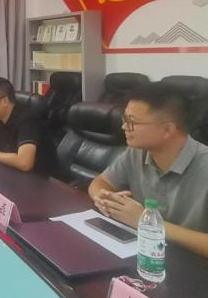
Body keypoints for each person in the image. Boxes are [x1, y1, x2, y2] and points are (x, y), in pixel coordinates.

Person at [88, 82, 208, 258]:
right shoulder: (137, 152)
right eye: (124, 119)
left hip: (191, 265)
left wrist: (146, 222)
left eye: (132, 122)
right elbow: (101, 181)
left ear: (167, 129)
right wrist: (104, 198)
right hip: (145, 253)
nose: (124, 127)